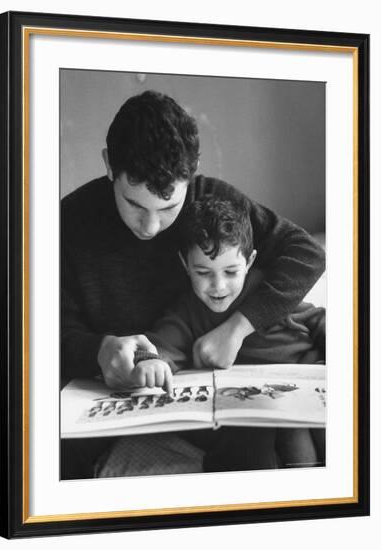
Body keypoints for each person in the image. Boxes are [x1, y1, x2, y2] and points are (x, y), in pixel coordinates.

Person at [61, 90, 325, 478]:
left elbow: (306, 253)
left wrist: (237, 329)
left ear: (194, 170)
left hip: (221, 391)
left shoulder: (213, 202)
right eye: (133, 204)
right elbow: (36, 329)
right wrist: (96, 350)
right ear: (108, 165)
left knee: (259, 439)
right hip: (118, 387)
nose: (150, 227)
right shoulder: (67, 222)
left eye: (168, 208)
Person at [130, 192, 325, 470]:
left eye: (231, 272)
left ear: (250, 261)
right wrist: (149, 362)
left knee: (312, 434)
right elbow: (159, 348)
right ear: (185, 265)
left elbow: (320, 321)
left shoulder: (269, 296)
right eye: (204, 272)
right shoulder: (187, 312)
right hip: (251, 416)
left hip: (304, 391)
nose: (218, 287)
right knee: (260, 439)